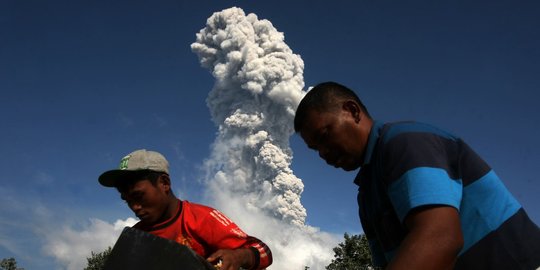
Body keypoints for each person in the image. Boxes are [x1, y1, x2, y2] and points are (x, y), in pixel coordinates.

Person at [294, 81, 540, 270]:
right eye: (315, 149)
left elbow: (440, 238)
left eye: (325, 135)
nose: (323, 153)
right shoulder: (367, 194)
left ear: (352, 111)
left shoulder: (405, 142)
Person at [98, 149, 273, 270]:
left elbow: (264, 251)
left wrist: (239, 256)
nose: (134, 207)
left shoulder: (201, 218)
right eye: (127, 200)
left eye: (138, 196)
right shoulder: (137, 237)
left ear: (164, 183)